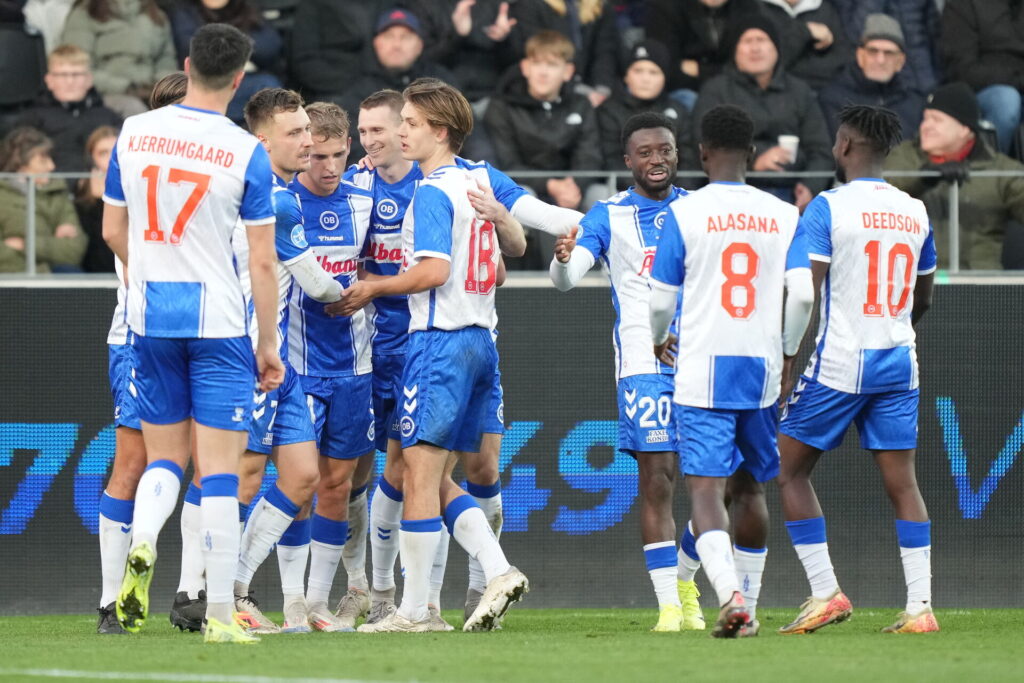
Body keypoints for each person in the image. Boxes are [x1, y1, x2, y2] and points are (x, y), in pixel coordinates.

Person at [346, 87, 581, 626]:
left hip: (438, 343)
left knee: (419, 481)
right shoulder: (481, 178)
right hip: (482, 342)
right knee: (443, 477)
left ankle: (416, 610)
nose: (402, 131)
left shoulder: (430, 192)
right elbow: (532, 234)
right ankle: (489, 573)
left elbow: (433, 273)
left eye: (411, 123)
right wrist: (584, 231)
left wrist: (373, 287)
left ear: (440, 131)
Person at [103, 23, 284, 645]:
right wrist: (268, 343)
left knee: (163, 459)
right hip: (218, 324)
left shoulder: (133, 132)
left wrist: (150, 273)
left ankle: (144, 539)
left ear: (187, 63)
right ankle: (217, 618)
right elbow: (262, 261)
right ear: (240, 78)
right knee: (221, 473)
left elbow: (110, 231)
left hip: (150, 319)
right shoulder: (244, 150)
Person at [648, 103, 814, 638]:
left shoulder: (685, 213)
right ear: (750, 152)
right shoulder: (785, 213)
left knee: (703, 489)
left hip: (702, 363)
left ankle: (731, 597)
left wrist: (657, 339)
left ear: (700, 153)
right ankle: (753, 604)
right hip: (761, 366)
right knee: (750, 490)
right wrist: (789, 350)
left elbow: (659, 301)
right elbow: (804, 294)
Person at [776, 104, 938, 635]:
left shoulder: (827, 207)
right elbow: (924, 296)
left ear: (843, 146)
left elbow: (806, 290)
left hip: (842, 362)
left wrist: (787, 358)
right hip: (899, 359)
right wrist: (894, 323)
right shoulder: (915, 210)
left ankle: (826, 592)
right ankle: (920, 609)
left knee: (787, 468)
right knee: (904, 485)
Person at [550, 111, 705, 632]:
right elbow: (569, 278)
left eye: (664, 150)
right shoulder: (608, 215)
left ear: (677, 154)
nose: (656, 159)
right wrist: (563, 259)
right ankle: (668, 606)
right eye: (645, 152)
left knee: (717, 485)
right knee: (658, 480)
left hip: (705, 360)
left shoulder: (701, 208)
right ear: (628, 161)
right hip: (643, 363)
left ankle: (687, 579)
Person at [230, 89, 351, 636]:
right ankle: (219, 594)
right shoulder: (272, 199)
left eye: (309, 130)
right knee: (245, 477)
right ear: (263, 141)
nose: (308, 140)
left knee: (303, 477)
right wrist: (368, 288)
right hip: (248, 355)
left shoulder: (273, 194)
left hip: (280, 360)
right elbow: (319, 285)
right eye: (296, 133)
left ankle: (234, 584)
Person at [278, 101, 376, 633]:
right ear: (301, 151)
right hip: (296, 364)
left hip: (356, 366)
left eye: (339, 155)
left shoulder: (366, 203)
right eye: (318, 156)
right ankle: (288, 597)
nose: (330, 167)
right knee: (298, 483)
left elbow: (390, 265)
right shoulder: (280, 202)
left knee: (337, 486)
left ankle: (317, 603)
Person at [484, 30, 602, 265]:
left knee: (601, 196)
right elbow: (506, 164)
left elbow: (590, 154)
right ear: (525, 67)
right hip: (527, 185)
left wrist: (574, 185)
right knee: (523, 195)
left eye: (552, 64)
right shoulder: (502, 106)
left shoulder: (580, 104)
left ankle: (603, 277)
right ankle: (527, 280)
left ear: (567, 71)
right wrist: (550, 184)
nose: (543, 72)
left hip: (572, 188)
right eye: (537, 63)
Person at [694, 13, 833, 208]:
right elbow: (703, 145)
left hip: (791, 194)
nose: (755, 48)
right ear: (735, 50)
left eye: (762, 39)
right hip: (733, 194)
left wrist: (810, 186)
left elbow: (821, 149)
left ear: (776, 48)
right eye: (747, 41)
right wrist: (754, 162)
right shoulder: (716, 90)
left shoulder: (799, 91)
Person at [885, 82, 1024, 270]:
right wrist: (923, 178)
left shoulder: (1000, 170)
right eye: (925, 119)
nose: (926, 126)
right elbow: (878, 194)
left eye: (937, 119)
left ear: (965, 129)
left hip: (981, 288)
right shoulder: (904, 155)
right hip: (913, 283)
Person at [337, 8, 458, 160]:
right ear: (376, 43)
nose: (396, 45)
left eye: (405, 37)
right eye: (388, 36)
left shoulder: (440, 83)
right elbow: (351, 143)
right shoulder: (355, 85)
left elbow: (463, 133)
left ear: (419, 45)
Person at [166, 0, 283, 125]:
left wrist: (228, 42)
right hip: (205, 82)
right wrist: (238, 44)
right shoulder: (184, 11)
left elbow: (271, 46)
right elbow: (196, 51)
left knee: (269, 88)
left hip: (244, 80)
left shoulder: (246, 7)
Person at [16, 44, 122, 173]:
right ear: (49, 80)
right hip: (49, 190)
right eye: (62, 75)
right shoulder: (30, 120)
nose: (70, 81)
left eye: (76, 74)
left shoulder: (110, 118)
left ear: (89, 80)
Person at [597, 41, 695, 179]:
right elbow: (611, 161)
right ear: (626, 76)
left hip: (674, 194)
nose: (645, 79)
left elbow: (688, 162)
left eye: (653, 72)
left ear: (664, 78)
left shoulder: (679, 111)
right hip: (625, 193)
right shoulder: (608, 111)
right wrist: (648, 188)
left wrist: (668, 192)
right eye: (638, 71)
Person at [60, 0, 177, 116]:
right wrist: (126, 87)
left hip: (152, 92)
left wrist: (160, 87)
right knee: (134, 109)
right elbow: (76, 67)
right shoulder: (86, 13)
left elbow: (166, 60)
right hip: (102, 96)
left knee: (180, 108)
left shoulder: (156, 14)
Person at [818, 14, 925, 140]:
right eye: (873, 51)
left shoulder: (915, 104)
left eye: (889, 53)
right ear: (860, 56)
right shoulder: (833, 100)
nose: (880, 60)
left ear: (900, 61)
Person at [644, 0, 763, 111]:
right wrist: (729, 70)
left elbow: (756, 68)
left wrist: (700, 70)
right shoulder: (665, 7)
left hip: (740, 88)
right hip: (683, 92)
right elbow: (664, 68)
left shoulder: (748, 6)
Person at [941, 0, 1024, 156]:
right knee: (1006, 101)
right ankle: (991, 169)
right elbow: (963, 70)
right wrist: (1017, 79)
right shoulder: (963, 5)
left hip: (1018, 84)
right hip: (980, 90)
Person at [0, 127, 87, 273]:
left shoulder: (57, 191)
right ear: (19, 161)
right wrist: (51, 246)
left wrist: (25, 245)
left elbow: (74, 250)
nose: (51, 166)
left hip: (53, 278)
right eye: (42, 160)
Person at [509, 0, 621, 106]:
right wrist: (576, 88)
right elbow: (537, 52)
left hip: (592, 86)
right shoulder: (530, 5)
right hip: (550, 87)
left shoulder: (600, 6)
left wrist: (602, 89)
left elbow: (605, 51)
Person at [759, 0, 850, 91]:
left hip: (823, 91)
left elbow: (841, 58)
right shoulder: (757, 8)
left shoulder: (824, 8)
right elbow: (771, 60)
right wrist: (806, 31)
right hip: (773, 91)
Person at [75, 125, 120, 273]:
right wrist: (100, 203)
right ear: (91, 160)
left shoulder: (137, 187)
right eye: (103, 153)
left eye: (115, 151)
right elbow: (96, 254)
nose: (110, 159)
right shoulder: (81, 198)